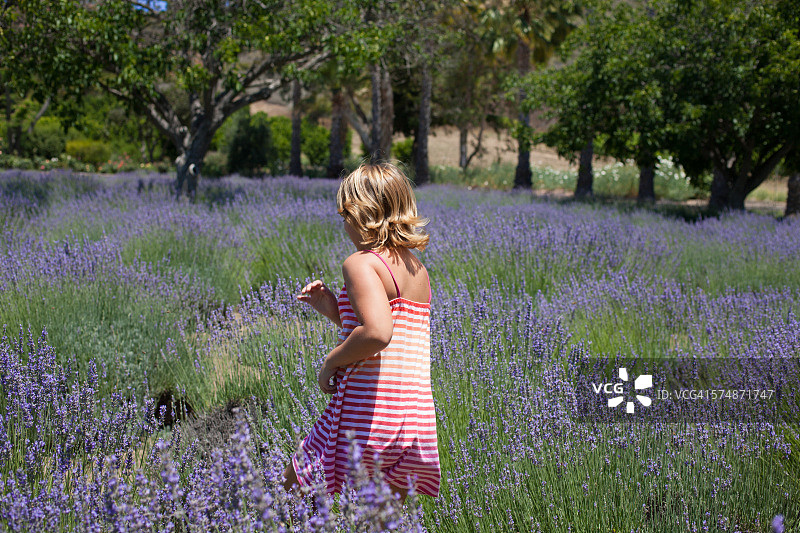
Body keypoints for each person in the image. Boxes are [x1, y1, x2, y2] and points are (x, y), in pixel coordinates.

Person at [283, 161, 441, 509]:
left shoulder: (361, 263)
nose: (343, 225)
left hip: (365, 413)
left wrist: (330, 362)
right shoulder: (417, 269)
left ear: (362, 213)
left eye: (344, 214)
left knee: (292, 491)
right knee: (383, 521)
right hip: (413, 422)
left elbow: (378, 333)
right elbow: (392, 326)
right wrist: (332, 308)